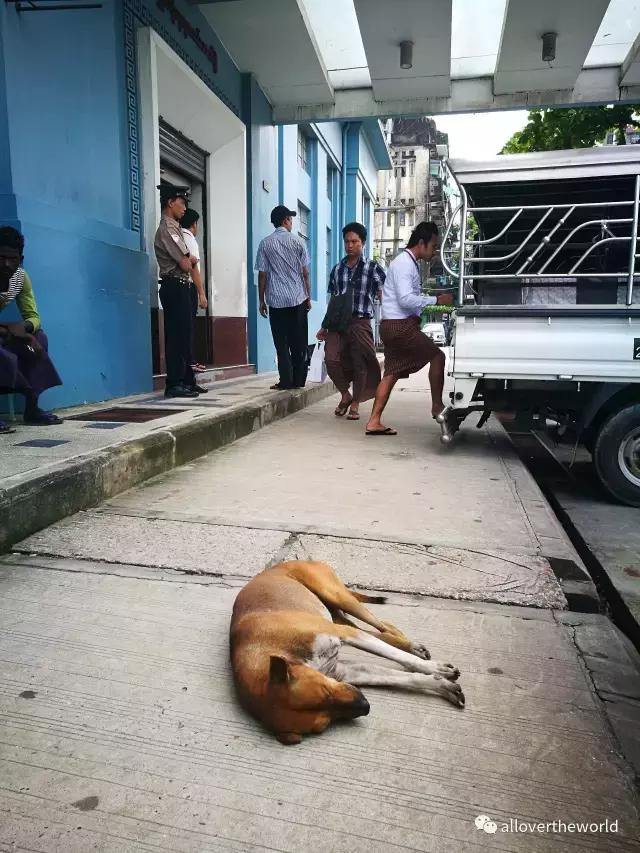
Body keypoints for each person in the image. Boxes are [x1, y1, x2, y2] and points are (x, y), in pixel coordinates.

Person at [366, 222, 453, 436]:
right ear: (421, 243)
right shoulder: (405, 264)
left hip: (390, 326)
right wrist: (436, 299)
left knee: (392, 373)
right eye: (433, 246)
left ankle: (374, 421)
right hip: (399, 326)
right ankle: (436, 406)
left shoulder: (406, 262)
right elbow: (405, 299)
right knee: (438, 356)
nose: (434, 251)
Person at [316, 222, 384, 420]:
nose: (350, 245)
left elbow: (384, 296)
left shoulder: (373, 268)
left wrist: (388, 322)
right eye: (347, 241)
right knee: (331, 359)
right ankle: (346, 395)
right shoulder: (337, 269)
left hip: (360, 321)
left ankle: (356, 404)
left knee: (360, 363)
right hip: (337, 324)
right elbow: (333, 300)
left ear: (363, 243)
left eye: (355, 241)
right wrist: (324, 326)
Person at [0, 226, 63, 433]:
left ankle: (32, 408)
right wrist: (15, 332)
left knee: (39, 338)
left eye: (12, 259)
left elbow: (34, 317)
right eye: (1, 258)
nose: (6, 264)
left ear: (21, 259)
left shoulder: (20, 278)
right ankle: (24, 390)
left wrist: (25, 329)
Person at [255, 205, 311, 390]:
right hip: (297, 299)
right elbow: (305, 273)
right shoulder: (298, 242)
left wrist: (261, 300)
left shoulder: (265, 243)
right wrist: (308, 296)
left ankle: (285, 381)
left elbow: (262, 274)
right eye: (290, 219)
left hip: (276, 301)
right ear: (286, 220)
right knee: (299, 341)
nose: (291, 222)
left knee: (281, 343)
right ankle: (298, 380)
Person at [154, 185, 199, 399]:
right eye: (182, 203)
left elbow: (188, 260)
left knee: (183, 335)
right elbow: (185, 263)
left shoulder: (176, 227)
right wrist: (190, 259)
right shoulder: (168, 229)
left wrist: (189, 259)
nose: (184, 208)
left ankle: (184, 381)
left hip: (180, 286)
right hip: (174, 285)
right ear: (170, 202)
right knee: (176, 337)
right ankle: (174, 383)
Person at [180, 208, 209, 389]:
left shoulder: (177, 236)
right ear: (194, 224)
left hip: (179, 287)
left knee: (183, 332)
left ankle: (189, 380)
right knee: (188, 331)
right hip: (187, 287)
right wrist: (201, 294)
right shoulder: (189, 238)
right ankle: (189, 376)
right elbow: (194, 269)